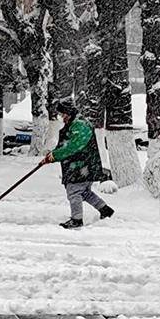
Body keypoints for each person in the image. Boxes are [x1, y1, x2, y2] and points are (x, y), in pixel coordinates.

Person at [40, 98, 113, 229]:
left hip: (81, 165)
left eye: (62, 114)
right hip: (80, 164)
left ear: (69, 112)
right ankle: (105, 210)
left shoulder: (80, 125)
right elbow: (67, 143)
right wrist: (52, 155)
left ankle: (76, 219)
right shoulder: (75, 123)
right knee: (84, 192)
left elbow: (73, 146)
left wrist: (55, 155)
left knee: (74, 192)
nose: (61, 117)